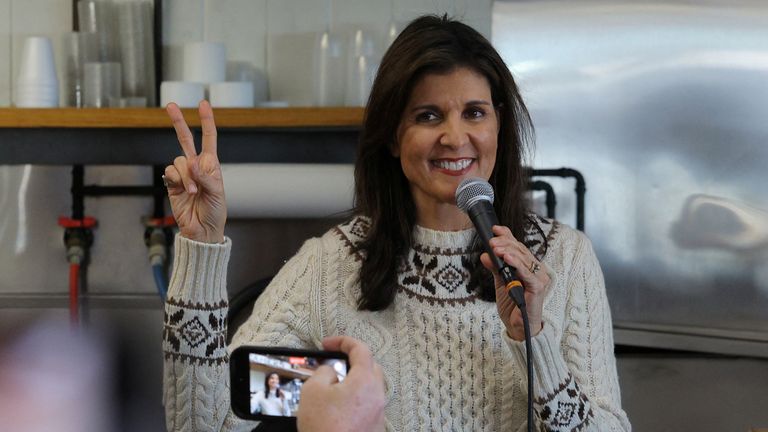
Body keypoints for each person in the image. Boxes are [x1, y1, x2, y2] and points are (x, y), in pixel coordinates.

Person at [161, 14, 631, 432]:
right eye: (428, 116)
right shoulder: (331, 265)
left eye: (474, 113)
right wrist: (200, 249)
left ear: (498, 126)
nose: (454, 137)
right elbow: (209, 422)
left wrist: (535, 340)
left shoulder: (564, 258)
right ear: (391, 137)